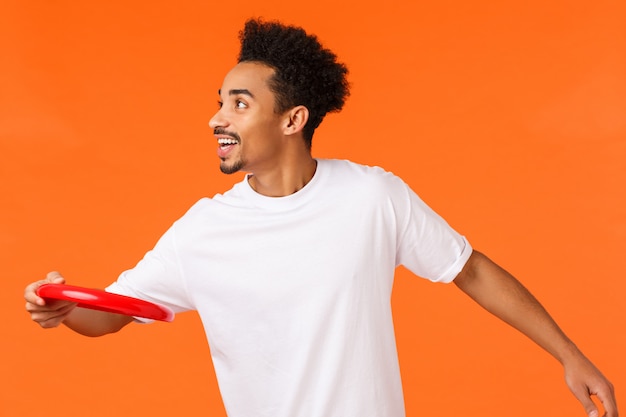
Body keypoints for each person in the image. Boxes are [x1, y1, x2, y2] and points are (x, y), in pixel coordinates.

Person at [25, 18, 617, 417]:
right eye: (218, 101)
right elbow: (113, 314)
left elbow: (471, 270)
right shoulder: (202, 231)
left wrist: (570, 355)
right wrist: (63, 306)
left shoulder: (372, 197)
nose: (216, 118)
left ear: (293, 119)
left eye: (239, 102)